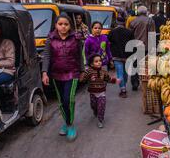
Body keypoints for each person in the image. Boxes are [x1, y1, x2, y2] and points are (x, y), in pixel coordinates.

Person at [42, 14, 84, 142]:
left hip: (72, 73)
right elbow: (47, 57)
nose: (63, 26)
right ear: (56, 25)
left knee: (68, 100)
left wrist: (82, 70)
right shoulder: (50, 39)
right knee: (61, 101)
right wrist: (44, 73)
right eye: (60, 24)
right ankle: (66, 123)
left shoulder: (76, 38)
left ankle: (70, 125)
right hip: (56, 74)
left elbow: (80, 56)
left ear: (70, 26)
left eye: (66, 24)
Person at [81, 54, 117, 128]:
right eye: (96, 61)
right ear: (91, 63)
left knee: (101, 106)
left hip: (101, 93)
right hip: (93, 93)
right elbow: (83, 80)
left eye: (100, 61)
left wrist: (115, 81)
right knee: (93, 105)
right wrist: (84, 78)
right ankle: (95, 111)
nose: (99, 62)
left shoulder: (103, 71)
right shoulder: (88, 71)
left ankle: (100, 120)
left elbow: (108, 79)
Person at [108, 10, 134, 98]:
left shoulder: (112, 32)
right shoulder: (129, 32)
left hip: (116, 56)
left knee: (119, 73)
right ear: (124, 23)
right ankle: (124, 86)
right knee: (125, 73)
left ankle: (123, 89)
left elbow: (109, 43)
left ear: (116, 23)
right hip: (127, 56)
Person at [129, 6, 155, 91]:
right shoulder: (150, 21)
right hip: (146, 46)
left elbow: (130, 34)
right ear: (146, 12)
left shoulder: (133, 21)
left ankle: (135, 83)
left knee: (135, 65)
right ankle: (146, 83)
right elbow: (152, 34)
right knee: (146, 65)